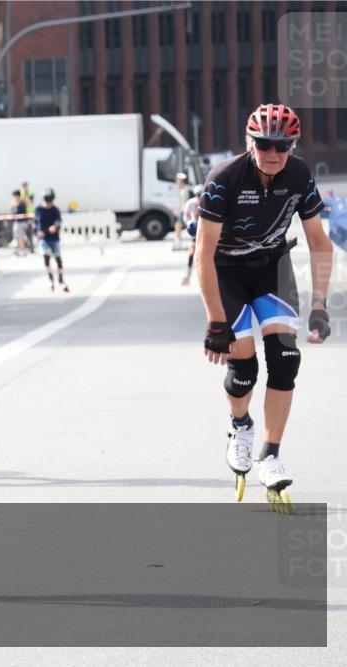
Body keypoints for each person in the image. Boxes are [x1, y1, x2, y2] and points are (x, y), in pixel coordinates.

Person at [196, 103, 332, 513]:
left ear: (293, 146)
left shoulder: (299, 175)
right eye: (265, 144)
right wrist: (216, 322)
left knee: (286, 358)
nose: (273, 153)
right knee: (244, 369)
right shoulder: (224, 179)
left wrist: (320, 306)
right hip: (227, 271)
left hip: (272, 268)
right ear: (249, 142)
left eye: (282, 145)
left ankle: (270, 455)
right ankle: (240, 426)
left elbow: (319, 243)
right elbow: (203, 254)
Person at [36, 188, 69, 292]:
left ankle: (61, 279)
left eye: (49, 201)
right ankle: (50, 279)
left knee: (58, 259)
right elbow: (35, 222)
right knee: (46, 255)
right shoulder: (38, 209)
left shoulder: (55, 210)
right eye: (46, 201)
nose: (48, 204)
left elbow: (58, 222)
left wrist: (55, 226)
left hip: (54, 237)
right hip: (43, 238)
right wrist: (36, 232)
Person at [180, 186, 201, 286]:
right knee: (193, 248)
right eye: (198, 195)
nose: (199, 197)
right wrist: (190, 226)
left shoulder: (204, 201)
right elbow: (186, 216)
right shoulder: (191, 203)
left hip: (203, 227)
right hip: (195, 228)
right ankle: (188, 271)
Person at [10, 189, 32, 256]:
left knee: (20, 237)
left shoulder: (22, 202)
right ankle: (21, 249)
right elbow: (11, 209)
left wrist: (24, 195)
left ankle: (23, 250)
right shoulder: (14, 203)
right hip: (16, 222)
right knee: (17, 237)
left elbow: (30, 204)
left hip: (22, 222)